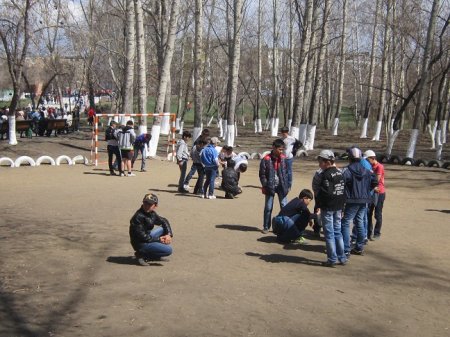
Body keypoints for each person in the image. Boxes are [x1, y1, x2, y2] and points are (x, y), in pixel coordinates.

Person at [341, 147, 378, 256]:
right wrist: (367, 189)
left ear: (350, 158)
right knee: (359, 222)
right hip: (364, 199)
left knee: (346, 222)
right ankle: (359, 247)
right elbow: (375, 181)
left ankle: (346, 249)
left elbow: (342, 182)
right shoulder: (367, 171)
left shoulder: (347, 170)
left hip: (351, 199)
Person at [314, 150, 347, 267]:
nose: (319, 164)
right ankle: (342, 257)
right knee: (338, 232)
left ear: (327, 162)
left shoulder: (325, 175)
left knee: (329, 234)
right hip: (338, 207)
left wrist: (318, 205)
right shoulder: (340, 173)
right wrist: (342, 207)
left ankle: (332, 259)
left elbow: (325, 193)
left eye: (320, 161)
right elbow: (343, 192)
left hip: (328, 207)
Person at [129, 193, 173, 266]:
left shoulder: (151, 213)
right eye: (145, 203)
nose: (146, 206)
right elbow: (143, 237)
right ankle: (141, 254)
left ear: (155, 206)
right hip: (140, 243)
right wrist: (159, 239)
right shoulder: (137, 217)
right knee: (168, 250)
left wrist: (168, 235)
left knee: (162, 229)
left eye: (149, 204)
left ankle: (155, 255)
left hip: (147, 236)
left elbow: (164, 220)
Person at [259, 138, 290, 234]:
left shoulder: (284, 159)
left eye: (282, 149)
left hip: (282, 186)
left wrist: (288, 185)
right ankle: (266, 226)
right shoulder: (266, 159)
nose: (281, 151)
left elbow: (287, 173)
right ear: (274, 147)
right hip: (270, 186)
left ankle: (285, 225)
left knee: (284, 206)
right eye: (279, 149)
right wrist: (265, 184)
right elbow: (262, 174)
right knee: (268, 207)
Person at [364, 150, 386, 240]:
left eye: (367, 159)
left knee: (377, 214)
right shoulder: (369, 166)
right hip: (372, 192)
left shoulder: (379, 167)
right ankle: (369, 232)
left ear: (372, 158)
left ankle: (377, 233)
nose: (366, 161)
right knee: (368, 213)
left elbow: (376, 181)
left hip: (379, 193)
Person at [280, 126, 296, 191]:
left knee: (289, 172)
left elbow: (299, 144)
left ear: (287, 132)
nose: (284, 134)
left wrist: (294, 151)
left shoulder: (292, 139)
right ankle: (282, 184)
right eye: (283, 132)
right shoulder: (281, 140)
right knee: (282, 171)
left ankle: (289, 185)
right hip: (282, 158)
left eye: (285, 132)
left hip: (289, 158)